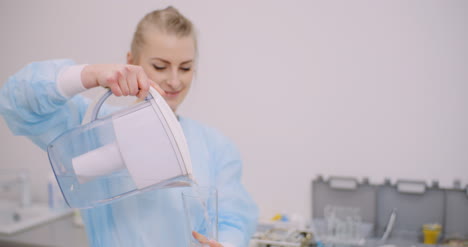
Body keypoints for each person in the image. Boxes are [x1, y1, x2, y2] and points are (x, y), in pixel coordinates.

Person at [0, 6, 258, 247]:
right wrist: (89, 75)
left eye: (186, 67)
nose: (174, 80)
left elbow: (232, 218)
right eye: (160, 66)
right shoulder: (92, 128)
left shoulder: (215, 147)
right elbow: (16, 102)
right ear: (131, 60)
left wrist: (227, 242)